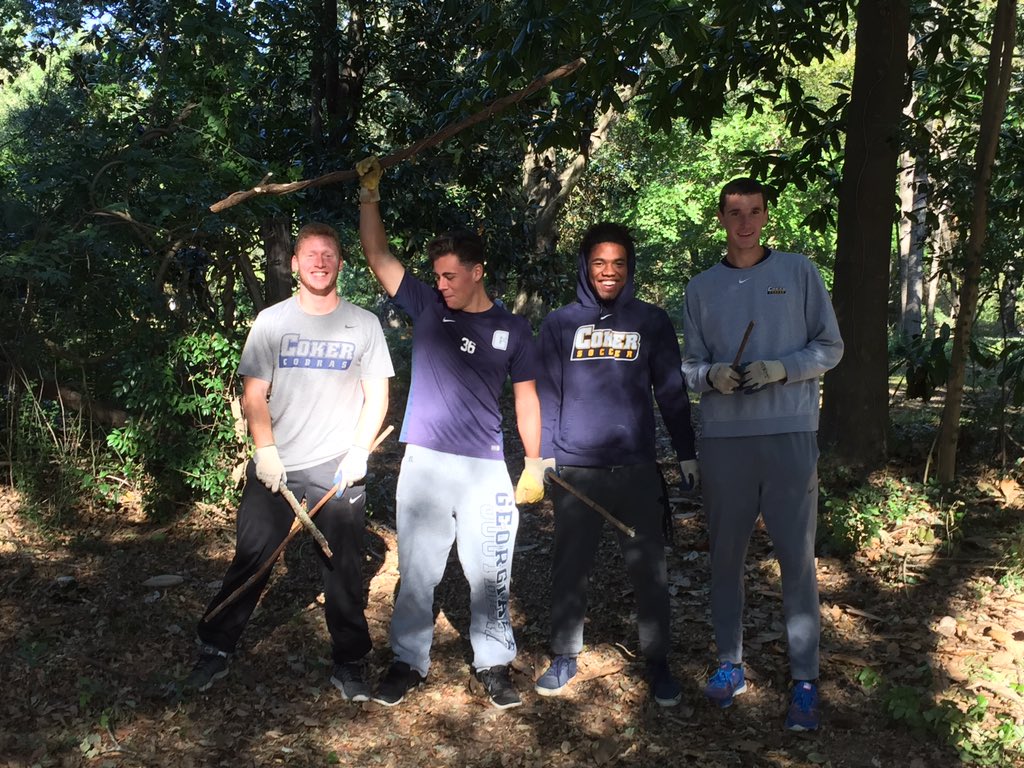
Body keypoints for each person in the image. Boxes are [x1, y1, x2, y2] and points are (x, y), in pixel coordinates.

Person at [355, 157, 545, 710]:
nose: (440, 285)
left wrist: (535, 463)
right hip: (425, 463)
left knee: (490, 570)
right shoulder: (428, 308)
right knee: (417, 569)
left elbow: (526, 396)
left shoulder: (512, 330)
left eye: (449, 275)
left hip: (485, 467)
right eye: (435, 276)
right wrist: (370, 194)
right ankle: (407, 661)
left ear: (477, 270)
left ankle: (493, 664)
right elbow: (377, 255)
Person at [185, 222, 394, 702]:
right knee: (253, 553)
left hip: (336, 465)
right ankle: (215, 647)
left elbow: (377, 394)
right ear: (294, 264)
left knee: (342, 564)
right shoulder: (272, 321)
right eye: (310, 255)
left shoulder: (363, 323)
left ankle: (350, 661)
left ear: (341, 263)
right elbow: (254, 394)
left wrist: (359, 451)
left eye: (329, 254)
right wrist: (266, 452)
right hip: (278, 463)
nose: (320, 262)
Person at [680, 178, 843, 731]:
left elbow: (830, 346)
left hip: (791, 433)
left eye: (753, 212)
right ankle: (730, 663)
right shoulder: (700, 287)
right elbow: (689, 365)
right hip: (726, 439)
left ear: (766, 216)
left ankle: (804, 679)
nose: (744, 222)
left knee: (796, 557)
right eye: (734, 212)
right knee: (725, 556)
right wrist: (712, 376)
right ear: (721, 219)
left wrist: (782, 368)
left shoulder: (799, 272)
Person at [533, 222, 700, 707]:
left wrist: (686, 451)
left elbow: (670, 392)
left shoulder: (651, 321)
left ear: (630, 268)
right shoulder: (560, 324)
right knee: (570, 566)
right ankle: (564, 653)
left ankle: (658, 662)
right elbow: (548, 395)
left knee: (650, 569)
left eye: (619, 263)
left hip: (636, 468)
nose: (609, 272)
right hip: (576, 469)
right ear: (586, 266)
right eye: (600, 263)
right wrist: (542, 457)